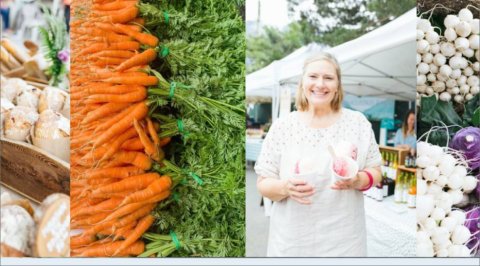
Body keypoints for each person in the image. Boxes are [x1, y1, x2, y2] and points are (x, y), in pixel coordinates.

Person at [255, 52, 383, 257]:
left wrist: (358, 179)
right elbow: (263, 183)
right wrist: (285, 187)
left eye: (329, 78)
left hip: (345, 241)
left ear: (338, 85)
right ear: (303, 82)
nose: (320, 84)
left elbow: (376, 171)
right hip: (292, 242)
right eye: (313, 76)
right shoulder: (283, 126)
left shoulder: (357, 123)